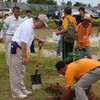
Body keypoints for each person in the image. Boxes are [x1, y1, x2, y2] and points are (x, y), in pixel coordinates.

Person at [9, 14, 48, 98]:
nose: (41, 27)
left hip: (20, 49)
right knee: (16, 72)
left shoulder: (30, 24)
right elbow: (23, 43)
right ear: (38, 21)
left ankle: (22, 89)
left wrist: (38, 39)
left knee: (21, 71)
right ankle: (16, 93)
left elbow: (29, 35)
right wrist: (25, 57)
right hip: (17, 49)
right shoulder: (28, 27)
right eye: (42, 25)